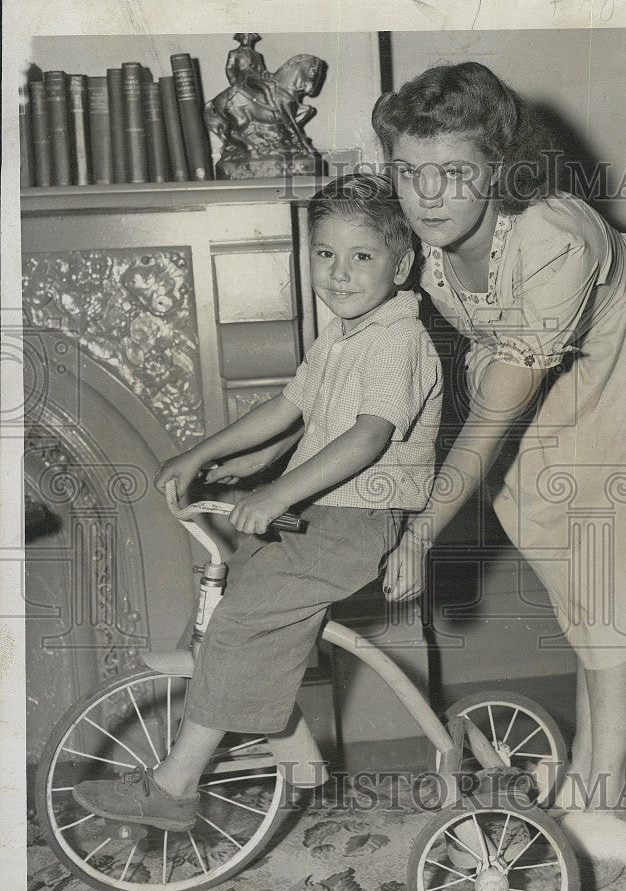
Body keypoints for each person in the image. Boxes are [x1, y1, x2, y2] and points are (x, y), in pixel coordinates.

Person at [373, 62, 626, 873]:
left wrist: (421, 530)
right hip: (531, 361)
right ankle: (589, 755)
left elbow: (490, 413)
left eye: (454, 173)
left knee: (611, 554)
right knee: (560, 547)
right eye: (410, 173)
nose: (427, 196)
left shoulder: (551, 238)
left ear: (501, 167)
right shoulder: (420, 233)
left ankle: (606, 790)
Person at [73, 174, 442, 830]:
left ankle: (176, 785)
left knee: (245, 618)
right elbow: (289, 406)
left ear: (403, 263)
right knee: (236, 601)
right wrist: (203, 454)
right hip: (324, 510)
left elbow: (366, 438)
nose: (340, 272)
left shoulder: (396, 340)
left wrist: (276, 490)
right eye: (325, 253)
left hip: (358, 519)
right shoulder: (342, 335)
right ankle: (298, 758)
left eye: (362, 256)